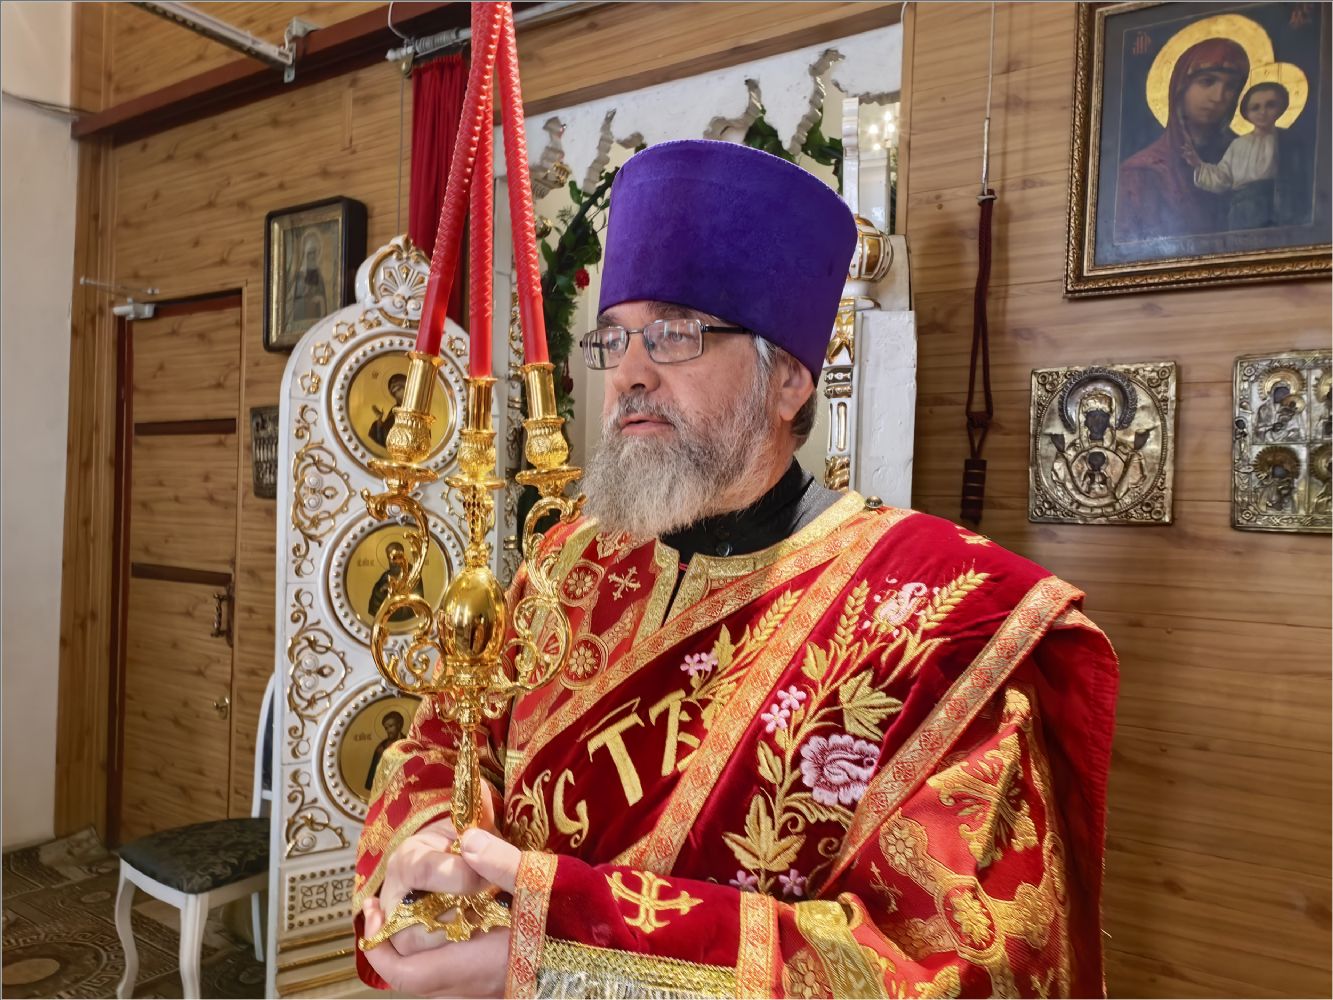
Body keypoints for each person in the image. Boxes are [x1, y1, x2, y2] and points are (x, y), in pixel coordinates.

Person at [353, 139, 1119, 998]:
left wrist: (557, 949)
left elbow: (961, 969)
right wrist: (432, 844)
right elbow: (445, 742)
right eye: (614, 337)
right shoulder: (566, 560)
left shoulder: (946, 619)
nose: (628, 375)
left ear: (788, 380)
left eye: (675, 334)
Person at [1116, 37, 1248, 243]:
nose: (1219, 96)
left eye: (1231, 86)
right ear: (1180, 88)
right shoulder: (1142, 170)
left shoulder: (1246, 155)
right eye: (1207, 82)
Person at [1187, 81, 1300, 230]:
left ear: (1281, 108)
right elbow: (1223, 177)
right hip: (1242, 210)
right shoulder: (1238, 144)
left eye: (1270, 105)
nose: (1262, 112)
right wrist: (1198, 164)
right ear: (1246, 113)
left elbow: (1298, 177)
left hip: (1275, 207)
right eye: (1255, 107)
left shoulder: (1287, 141)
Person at [365, 711, 406, 792]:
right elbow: (373, 775)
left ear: (399, 725)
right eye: (386, 728)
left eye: (391, 726)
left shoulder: (408, 742)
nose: (388, 730)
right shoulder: (381, 747)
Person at [368, 373, 408, 448]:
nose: (397, 394)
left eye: (399, 389)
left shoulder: (418, 406)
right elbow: (384, 438)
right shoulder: (394, 410)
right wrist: (379, 420)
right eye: (394, 392)